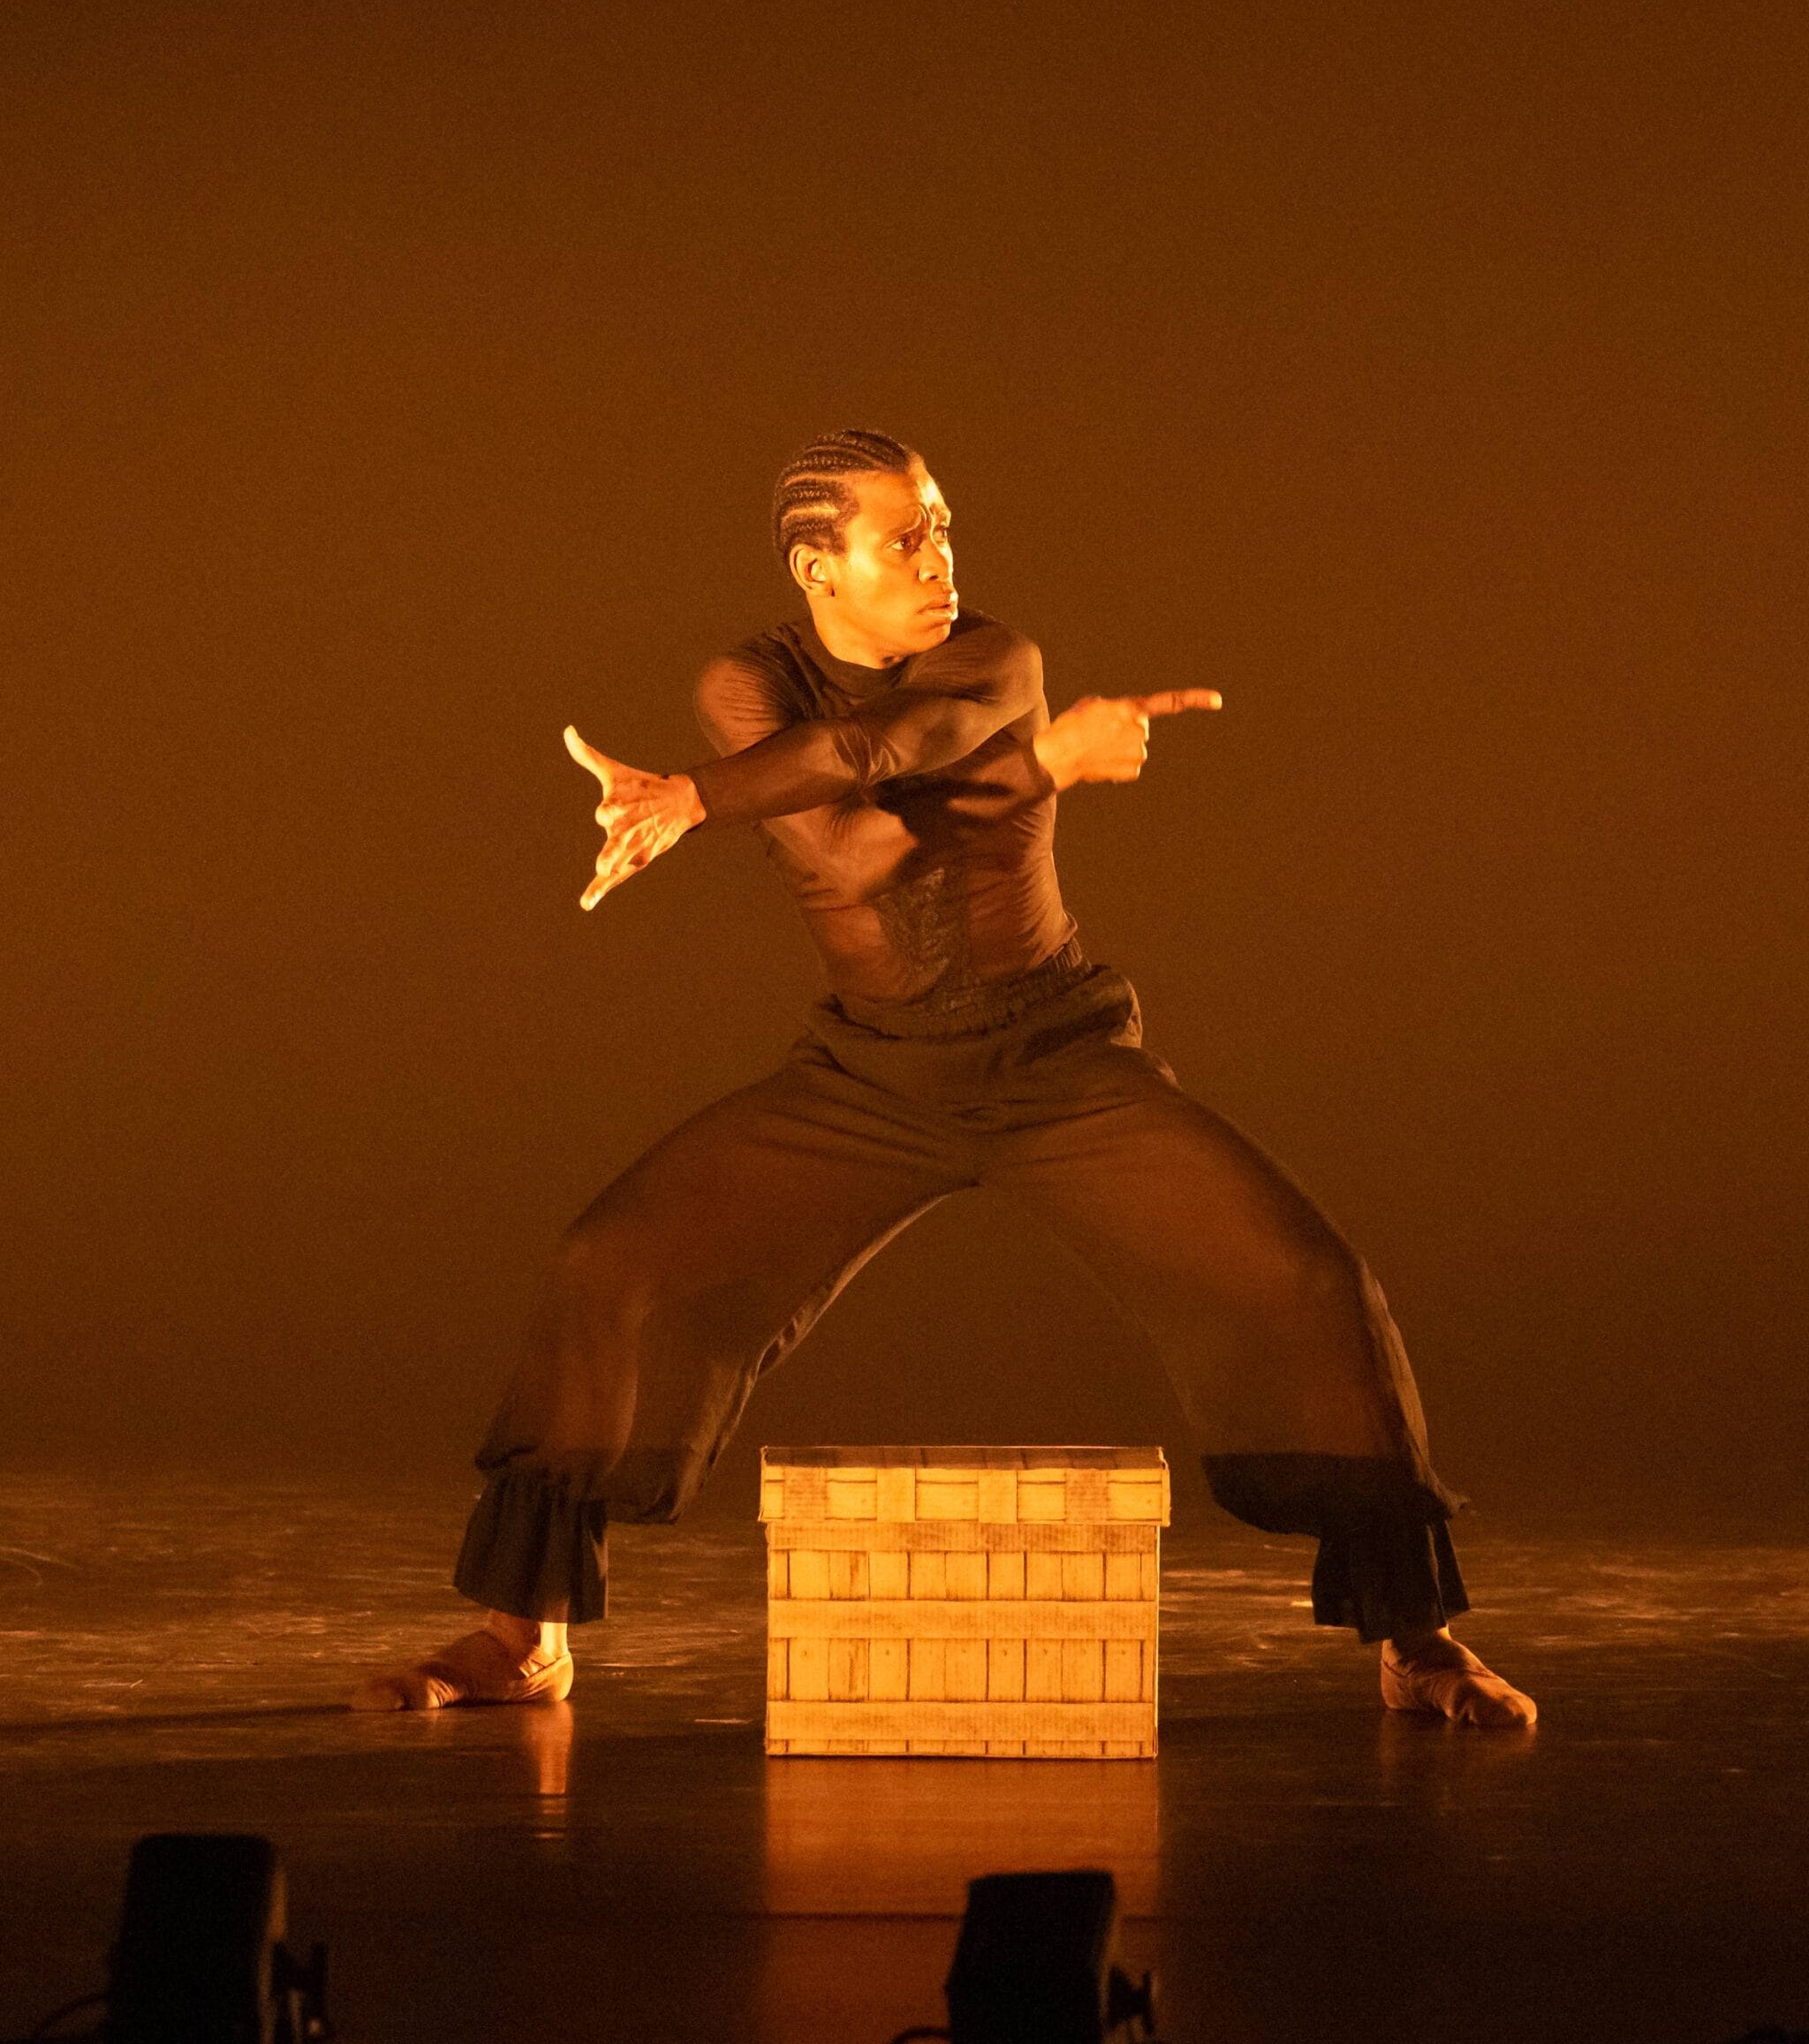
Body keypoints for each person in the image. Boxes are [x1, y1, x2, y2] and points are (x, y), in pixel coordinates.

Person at [355, 428, 1535, 1730]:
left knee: (1309, 1285)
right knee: (608, 1264)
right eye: (903, 538)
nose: (940, 559)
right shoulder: (748, 688)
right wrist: (995, 770)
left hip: (1058, 1057)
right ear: (819, 566)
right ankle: (528, 1636)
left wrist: (702, 801)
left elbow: (907, 740)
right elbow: (856, 856)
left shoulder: (996, 657)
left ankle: (1418, 1639)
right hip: (867, 1079)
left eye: (943, 526)